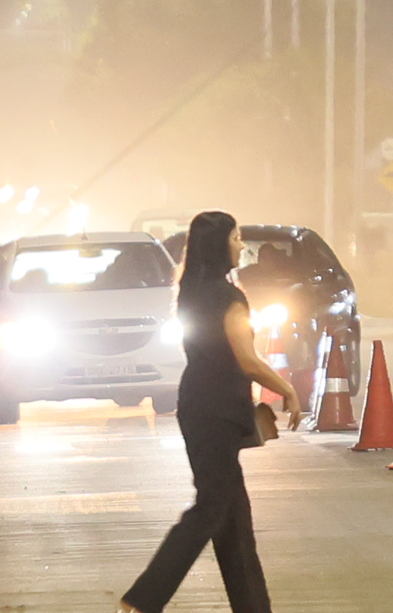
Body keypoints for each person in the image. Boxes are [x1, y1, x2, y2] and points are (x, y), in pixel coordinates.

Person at [121, 205, 302, 613]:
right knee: (211, 509)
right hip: (218, 410)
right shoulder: (227, 296)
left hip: (198, 405)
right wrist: (285, 388)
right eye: (236, 238)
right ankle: (142, 599)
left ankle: (254, 607)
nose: (241, 246)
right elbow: (246, 358)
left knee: (233, 519)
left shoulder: (190, 290)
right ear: (221, 245)